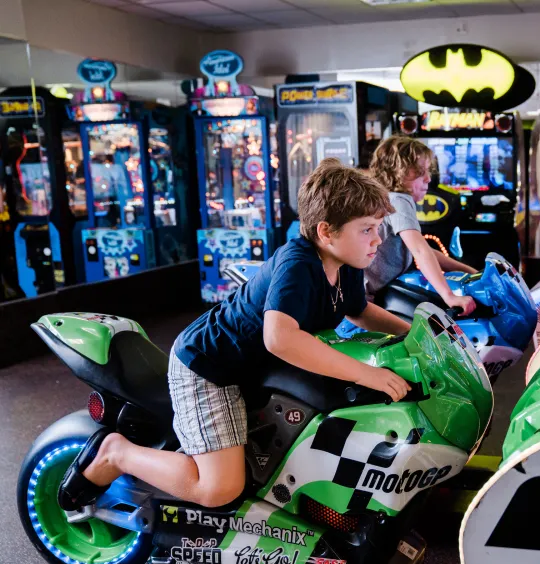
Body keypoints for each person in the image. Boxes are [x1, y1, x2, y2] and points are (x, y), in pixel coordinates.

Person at [57, 159, 414, 511]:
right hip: (211, 368)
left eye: (379, 227)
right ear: (326, 232)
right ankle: (117, 453)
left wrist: (416, 333)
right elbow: (281, 339)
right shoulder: (299, 265)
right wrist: (369, 374)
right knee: (219, 488)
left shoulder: (347, 264)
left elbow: (361, 311)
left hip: (255, 368)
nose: (379, 239)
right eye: (367, 228)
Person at [365, 135, 477, 314]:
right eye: (419, 171)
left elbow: (423, 249)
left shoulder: (389, 199)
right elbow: (420, 251)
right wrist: (449, 296)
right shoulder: (398, 200)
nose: (427, 179)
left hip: (369, 297)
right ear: (397, 171)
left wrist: (473, 273)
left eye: (427, 171)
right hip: (364, 302)